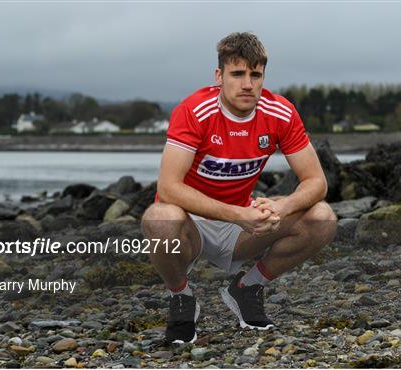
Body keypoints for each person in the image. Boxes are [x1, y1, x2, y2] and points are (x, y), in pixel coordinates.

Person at [141, 32, 337, 344]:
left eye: (255, 74)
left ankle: (246, 289)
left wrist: (281, 207)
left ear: (262, 77)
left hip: (240, 228)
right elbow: (168, 187)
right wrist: (236, 214)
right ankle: (182, 297)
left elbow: (316, 182)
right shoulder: (194, 110)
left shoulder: (280, 112)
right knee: (158, 216)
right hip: (192, 226)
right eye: (237, 73)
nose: (247, 84)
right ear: (219, 76)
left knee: (322, 217)